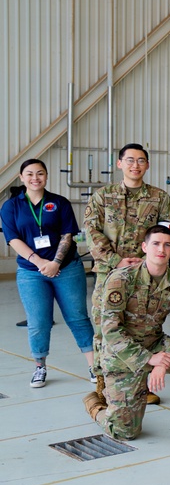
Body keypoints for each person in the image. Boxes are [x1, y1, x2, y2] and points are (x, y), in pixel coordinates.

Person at [82, 225, 170, 445]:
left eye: (167, 244)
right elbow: (110, 331)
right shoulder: (121, 279)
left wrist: (165, 358)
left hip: (157, 346)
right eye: (156, 244)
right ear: (144, 247)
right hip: (123, 356)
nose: (161, 249)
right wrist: (148, 359)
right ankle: (95, 405)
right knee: (124, 431)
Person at [84, 143, 170, 404]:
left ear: (147, 165)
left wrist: (148, 263)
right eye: (131, 160)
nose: (136, 165)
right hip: (110, 273)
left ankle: (141, 386)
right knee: (104, 328)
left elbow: (166, 235)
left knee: (143, 328)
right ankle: (102, 388)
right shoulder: (103, 196)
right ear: (120, 163)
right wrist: (116, 261)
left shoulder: (160, 198)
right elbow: (91, 232)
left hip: (146, 276)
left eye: (141, 160)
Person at [2, 159, 94, 388]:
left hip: (67, 268)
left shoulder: (59, 202)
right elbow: (13, 239)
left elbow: (67, 235)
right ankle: (40, 367)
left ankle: (96, 366)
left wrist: (55, 262)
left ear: (46, 176)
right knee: (38, 321)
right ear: (21, 177)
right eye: (30, 174)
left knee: (78, 317)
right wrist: (40, 261)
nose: (35, 178)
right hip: (31, 272)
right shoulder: (11, 206)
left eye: (40, 173)